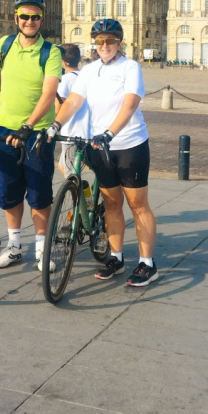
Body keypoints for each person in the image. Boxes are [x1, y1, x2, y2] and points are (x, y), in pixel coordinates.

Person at [47, 18, 158, 288]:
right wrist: (55, 125)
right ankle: (116, 257)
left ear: (119, 43)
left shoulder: (130, 67)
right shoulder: (88, 70)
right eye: (99, 41)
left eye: (110, 41)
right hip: (97, 145)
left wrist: (110, 132)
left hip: (129, 144)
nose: (104, 45)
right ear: (94, 44)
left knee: (137, 205)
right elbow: (74, 100)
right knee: (111, 203)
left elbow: (131, 103)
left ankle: (147, 263)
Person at [0, 0, 61, 271]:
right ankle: (14, 246)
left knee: (38, 193)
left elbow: (49, 93)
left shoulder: (52, 52)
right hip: (4, 128)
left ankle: (41, 249)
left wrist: (28, 126)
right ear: (16, 18)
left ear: (41, 19)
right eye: (24, 16)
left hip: (36, 132)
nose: (29, 21)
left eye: (35, 17)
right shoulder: (5, 42)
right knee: (9, 191)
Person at [55, 44, 89, 176]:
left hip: (71, 131)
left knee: (71, 175)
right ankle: (85, 192)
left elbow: (59, 107)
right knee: (62, 166)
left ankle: (83, 196)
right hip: (85, 130)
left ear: (63, 62)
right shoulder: (83, 76)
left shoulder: (65, 80)